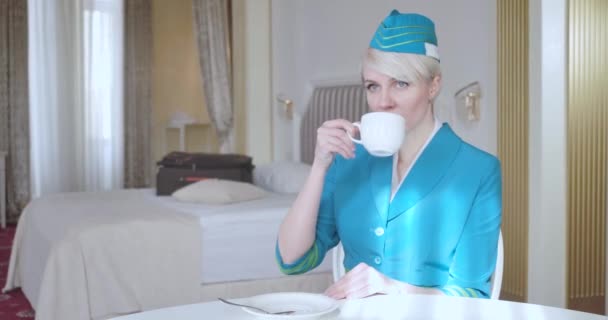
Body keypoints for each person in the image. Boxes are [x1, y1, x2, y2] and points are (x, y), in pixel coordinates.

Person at [275, 9, 502, 299]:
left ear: (434, 85)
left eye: (401, 83)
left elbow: (472, 297)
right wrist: (319, 166)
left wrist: (391, 289)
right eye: (373, 86)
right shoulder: (348, 160)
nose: (383, 101)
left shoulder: (478, 170)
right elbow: (291, 259)